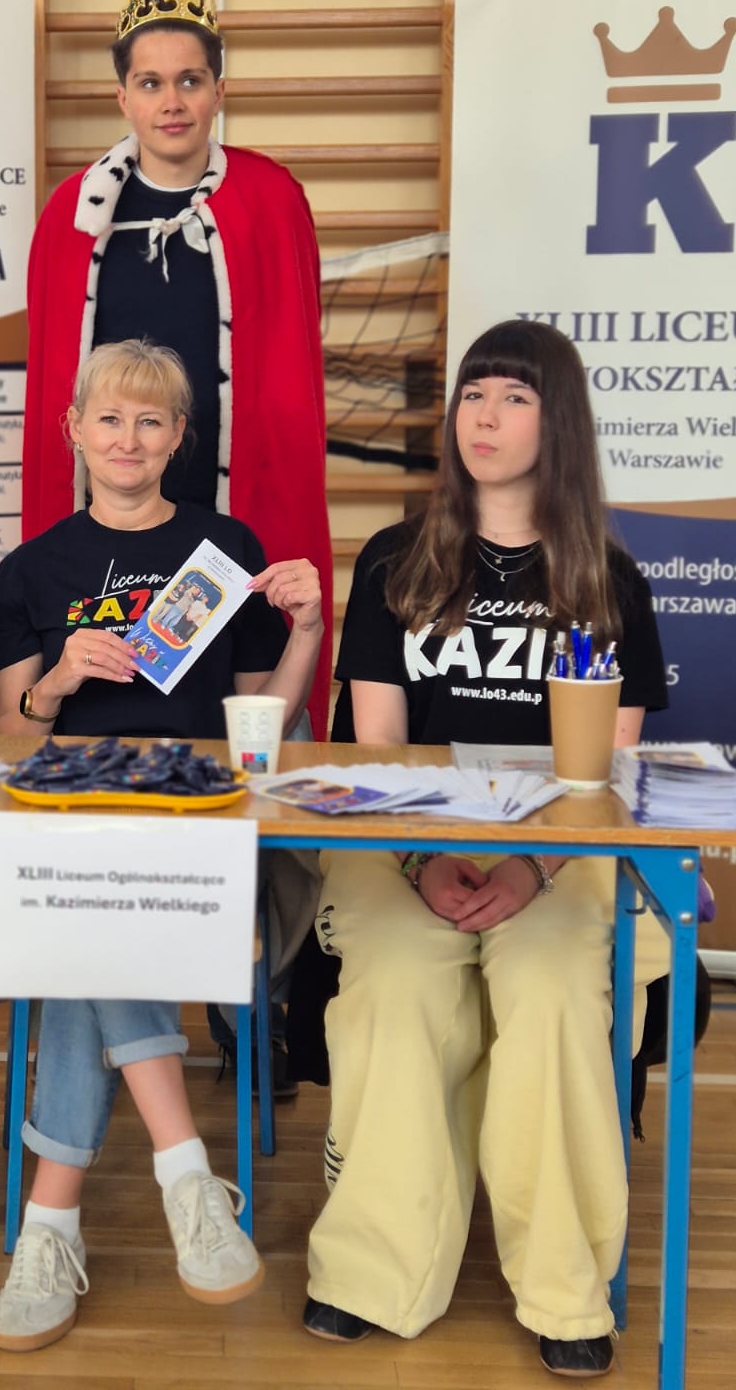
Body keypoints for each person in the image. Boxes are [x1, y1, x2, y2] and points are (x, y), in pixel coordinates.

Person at [304, 320, 669, 1379]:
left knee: (552, 989)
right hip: (406, 841)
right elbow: (377, 746)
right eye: (473, 395)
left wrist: (530, 867)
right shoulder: (396, 559)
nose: (485, 417)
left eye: (514, 397)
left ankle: (565, 1287)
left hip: (559, 851)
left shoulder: (608, 577)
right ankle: (371, 1271)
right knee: (398, 983)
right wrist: (426, 859)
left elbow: (609, 770)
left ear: (559, 424)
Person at [0, 339, 324, 1352]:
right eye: (109, 417)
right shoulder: (31, 568)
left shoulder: (225, 546)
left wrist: (309, 632)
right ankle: (187, 1178)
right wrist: (57, 678)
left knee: (81, 932)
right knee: (86, 901)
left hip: (200, 825)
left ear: (180, 436)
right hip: (72, 821)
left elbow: (266, 719)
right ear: (73, 430)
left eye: (150, 420)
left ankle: (50, 1225)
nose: (127, 439)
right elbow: (8, 738)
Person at [21, 0, 333, 734]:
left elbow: (292, 376)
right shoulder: (73, 215)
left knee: (242, 687)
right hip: (117, 484)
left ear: (219, 91)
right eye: (151, 83)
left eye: (190, 81)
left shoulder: (271, 199)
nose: (172, 102)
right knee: (110, 681)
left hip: (237, 491)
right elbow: (53, 386)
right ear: (122, 97)